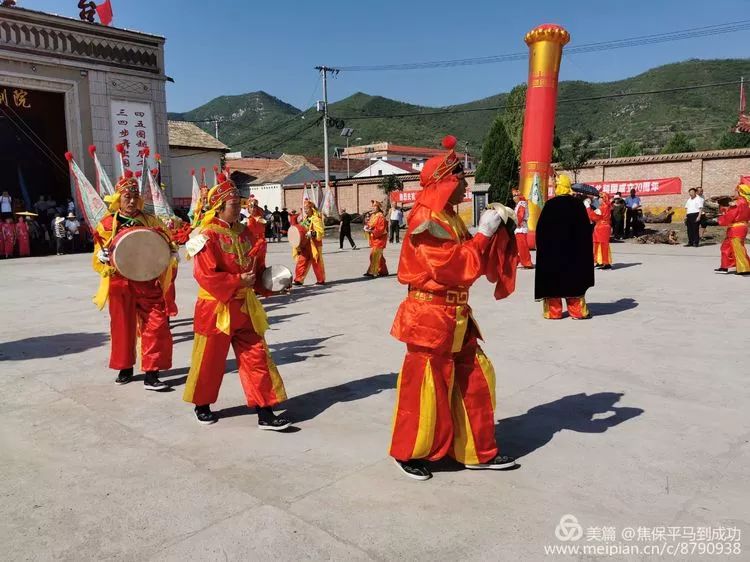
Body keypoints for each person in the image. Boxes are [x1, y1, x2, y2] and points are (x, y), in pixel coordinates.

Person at [389, 134, 517, 481]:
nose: (465, 187)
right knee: (424, 387)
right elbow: (451, 266)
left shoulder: (448, 217)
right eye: (461, 180)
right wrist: (484, 235)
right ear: (445, 183)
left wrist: (493, 231)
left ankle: (476, 450)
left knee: (474, 378)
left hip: (455, 315)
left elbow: (467, 262)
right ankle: (411, 452)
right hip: (429, 317)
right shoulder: (425, 221)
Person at [183, 174, 292, 429]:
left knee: (257, 357)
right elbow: (205, 275)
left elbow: (258, 271)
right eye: (233, 204)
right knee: (209, 360)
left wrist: (273, 284)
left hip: (245, 306)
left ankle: (265, 412)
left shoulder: (246, 233)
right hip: (215, 308)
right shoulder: (205, 236)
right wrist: (235, 281)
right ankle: (202, 404)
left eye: (238, 202)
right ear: (219, 206)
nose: (239, 207)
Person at [92, 170, 174, 391]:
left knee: (156, 325)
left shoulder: (150, 220)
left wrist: (170, 252)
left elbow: (167, 243)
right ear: (118, 199)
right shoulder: (107, 224)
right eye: (126, 197)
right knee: (122, 327)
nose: (131, 201)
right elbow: (97, 258)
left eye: (134, 196)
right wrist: (101, 259)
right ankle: (125, 366)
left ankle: (152, 372)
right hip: (120, 282)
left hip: (148, 281)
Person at [535, 175, 595, 320]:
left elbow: (540, 230)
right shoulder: (577, 205)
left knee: (553, 281)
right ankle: (577, 312)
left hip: (552, 252)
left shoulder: (550, 205)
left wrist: (543, 248)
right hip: (573, 252)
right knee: (573, 281)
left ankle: (553, 312)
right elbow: (585, 231)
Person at [715, 183, 750, 275]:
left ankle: (744, 268)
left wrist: (719, 220)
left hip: (736, 229)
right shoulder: (746, 203)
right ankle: (724, 266)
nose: (733, 192)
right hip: (741, 228)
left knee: (738, 248)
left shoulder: (737, 203)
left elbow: (730, 215)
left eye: (735, 191)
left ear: (740, 192)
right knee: (726, 247)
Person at [293, 200, 325, 285]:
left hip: (314, 244)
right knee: (301, 261)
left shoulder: (316, 219)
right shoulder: (305, 219)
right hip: (306, 244)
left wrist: (313, 233)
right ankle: (299, 279)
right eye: (304, 209)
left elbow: (321, 232)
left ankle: (320, 279)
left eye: (307, 208)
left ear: (312, 209)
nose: (305, 210)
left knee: (316, 261)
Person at [588, 192, 613, 269]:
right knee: (599, 244)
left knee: (602, 245)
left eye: (600, 198)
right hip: (601, 227)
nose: (598, 199)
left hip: (602, 227)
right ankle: (600, 261)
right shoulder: (606, 207)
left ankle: (605, 262)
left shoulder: (603, 207)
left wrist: (588, 207)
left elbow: (593, 216)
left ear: (603, 199)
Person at [364, 200, 388, 277]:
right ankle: (383, 271)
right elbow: (370, 224)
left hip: (379, 239)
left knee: (374, 255)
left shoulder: (380, 216)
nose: (373, 208)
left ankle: (373, 271)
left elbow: (381, 229)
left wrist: (371, 230)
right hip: (374, 238)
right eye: (372, 207)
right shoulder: (373, 216)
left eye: (375, 207)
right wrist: (367, 227)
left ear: (378, 208)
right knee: (379, 256)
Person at [512, 188, 534, 269]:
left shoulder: (521, 204)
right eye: (513, 196)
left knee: (522, 247)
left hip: (520, 228)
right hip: (519, 228)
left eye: (515, 195)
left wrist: (515, 224)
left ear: (519, 196)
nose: (513, 198)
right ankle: (520, 261)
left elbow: (520, 216)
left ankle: (527, 263)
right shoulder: (519, 204)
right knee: (518, 247)